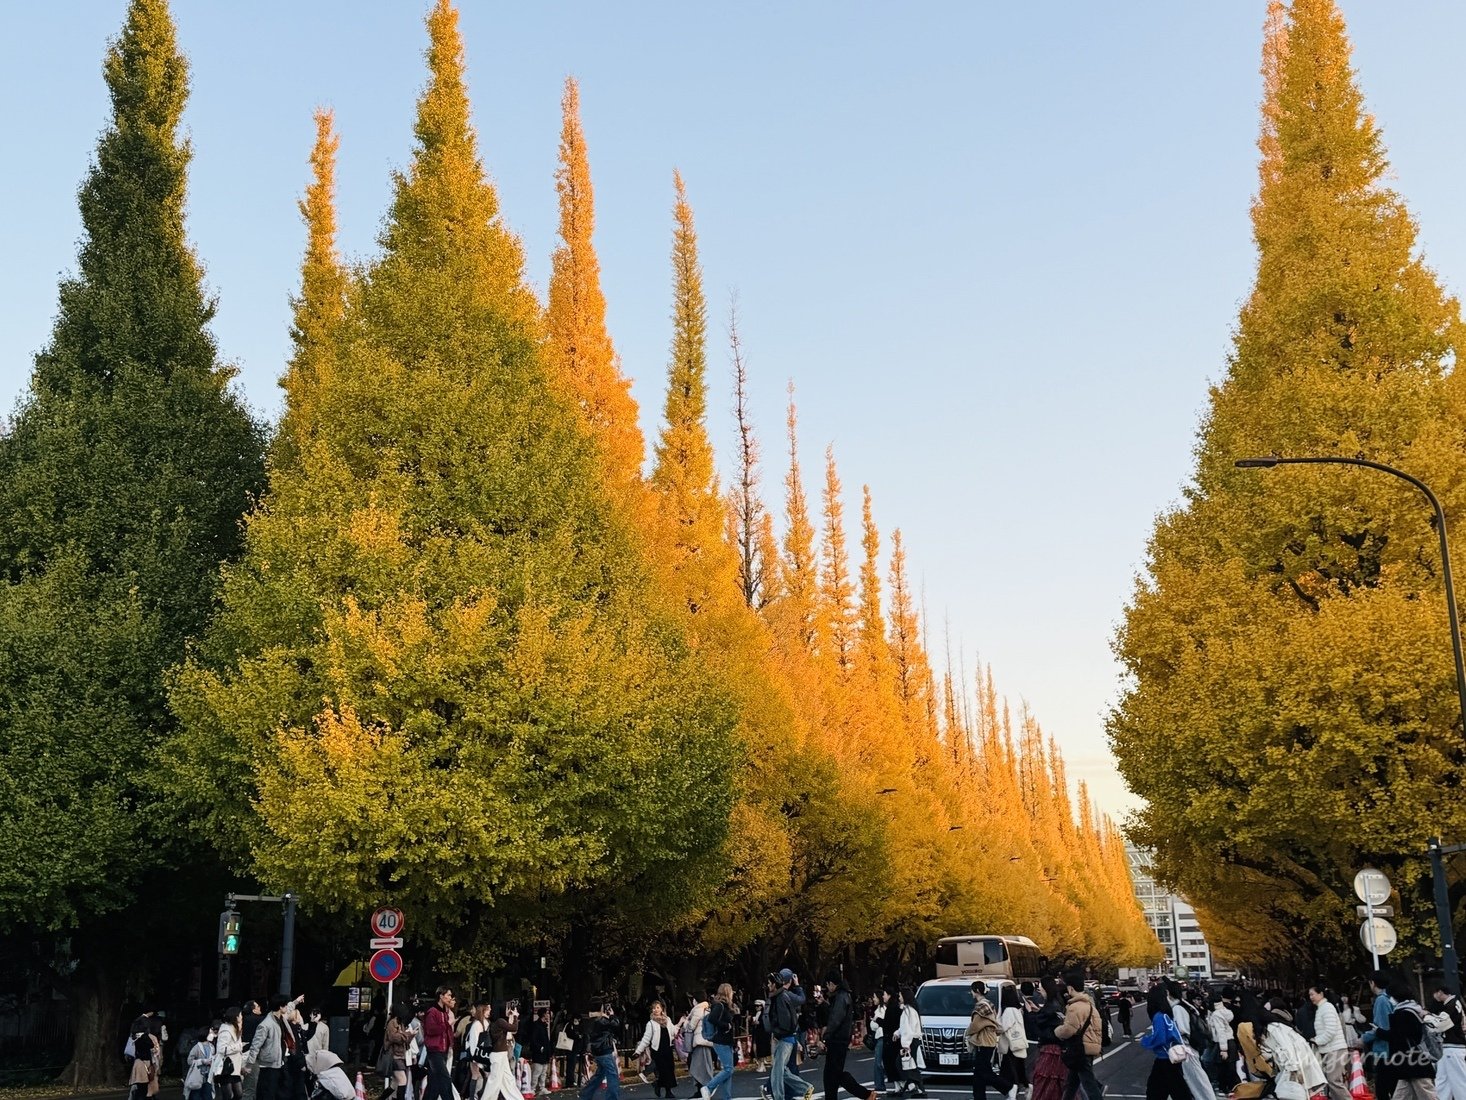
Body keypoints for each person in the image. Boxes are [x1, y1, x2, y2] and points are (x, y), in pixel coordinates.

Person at [819, 972, 878, 1100]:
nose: (827, 988)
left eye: (827, 985)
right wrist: (823, 1004)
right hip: (840, 1040)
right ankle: (865, 1094)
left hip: (837, 1041)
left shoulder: (841, 997)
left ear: (832, 983)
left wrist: (825, 1037)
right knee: (832, 1075)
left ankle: (866, 1094)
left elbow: (835, 1019)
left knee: (833, 1075)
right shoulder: (843, 995)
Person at [1385, 976, 1440, 1100]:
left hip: (1412, 1062)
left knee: (1426, 1094)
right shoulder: (1415, 1010)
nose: (1390, 999)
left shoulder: (1401, 1014)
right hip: (1415, 1060)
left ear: (1395, 996)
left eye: (1390, 996)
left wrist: (1379, 1032)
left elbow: (1398, 1037)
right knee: (1402, 1095)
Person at [1052, 972, 1102, 1100]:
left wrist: (1057, 1031)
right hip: (1088, 1047)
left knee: (1088, 1084)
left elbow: (1068, 1030)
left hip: (1080, 1049)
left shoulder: (1074, 1007)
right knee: (1073, 1082)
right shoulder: (1089, 1005)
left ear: (1070, 988)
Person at [762, 970, 812, 1100]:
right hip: (786, 1038)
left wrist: (776, 1032)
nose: (768, 985)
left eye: (769, 983)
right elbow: (801, 1000)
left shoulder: (781, 997)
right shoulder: (782, 995)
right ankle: (805, 1087)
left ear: (775, 984)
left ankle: (780, 1096)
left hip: (784, 1038)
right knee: (781, 1070)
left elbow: (784, 1022)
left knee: (778, 1072)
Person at [1256, 1012, 1327, 1100]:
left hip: (1296, 1061)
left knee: (1301, 1090)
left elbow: (1287, 1048)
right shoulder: (1273, 1028)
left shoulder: (1273, 1029)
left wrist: (1294, 1069)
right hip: (1296, 1059)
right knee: (1302, 1090)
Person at [1139, 986, 1189, 1100]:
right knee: (1172, 1088)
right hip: (1172, 1056)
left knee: (1157, 1089)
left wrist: (1145, 1040)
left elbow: (1160, 1038)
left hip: (1165, 1058)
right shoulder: (1166, 1014)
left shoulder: (1158, 1016)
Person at [966, 981, 1014, 1100]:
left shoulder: (981, 1007)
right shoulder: (989, 1004)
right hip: (989, 1040)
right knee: (979, 1073)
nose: (971, 993)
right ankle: (979, 1097)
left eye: (972, 990)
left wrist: (967, 1033)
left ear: (977, 991)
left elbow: (976, 1025)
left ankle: (1008, 1087)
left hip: (984, 1041)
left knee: (983, 1072)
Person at [1028, 980, 1067, 1100]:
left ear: (1047, 990)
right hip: (1057, 1046)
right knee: (1058, 1081)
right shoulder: (1056, 1004)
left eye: (1041, 988)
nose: (1039, 991)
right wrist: (1038, 1011)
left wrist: (1032, 1014)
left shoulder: (1051, 1006)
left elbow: (1042, 1022)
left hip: (1050, 1047)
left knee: (1044, 1079)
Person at [1309, 985, 1350, 1100]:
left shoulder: (1326, 1008)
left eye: (1312, 994)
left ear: (1321, 994)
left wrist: (1316, 1041)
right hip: (1330, 1049)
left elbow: (1330, 1031)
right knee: (1333, 1081)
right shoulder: (1322, 1008)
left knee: (1334, 1081)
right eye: (1309, 995)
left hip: (1335, 1049)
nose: (1311, 997)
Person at [1362, 973, 1399, 1100]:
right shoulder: (1391, 998)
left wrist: (1364, 1038)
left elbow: (1381, 1027)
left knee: (1382, 1089)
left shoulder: (1381, 1000)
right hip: (1394, 1048)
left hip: (1385, 1050)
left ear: (1373, 983)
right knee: (1393, 1086)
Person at [1428, 984, 1466, 1100]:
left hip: (1453, 1047)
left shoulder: (1451, 1005)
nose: (1434, 996)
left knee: (1458, 1080)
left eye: (1435, 993)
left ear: (1440, 992)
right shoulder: (1455, 1003)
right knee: (1443, 1080)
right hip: (1450, 1048)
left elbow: (1439, 1025)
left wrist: (1426, 1016)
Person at [636, 1001, 679, 1099]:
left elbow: (673, 1031)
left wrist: (680, 1023)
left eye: (657, 1008)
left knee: (669, 1069)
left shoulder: (667, 1020)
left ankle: (661, 1087)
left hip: (667, 1048)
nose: (655, 1010)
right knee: (662, 1070)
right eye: (654, 1008)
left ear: (662, 1009)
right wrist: (638, 1051)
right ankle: (664, 1088)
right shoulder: (651, 1023)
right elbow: (646, 1039)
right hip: (657, 1049)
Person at [702, 984, 738, 1100]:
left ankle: (727, 1097)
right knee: (728, 1069)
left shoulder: (723, 1006)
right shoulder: (719, 1006)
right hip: (721, 1040)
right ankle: (709, 1087)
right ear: (727, 992)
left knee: (728, 1070)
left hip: (725, 1040)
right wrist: (725, 1025)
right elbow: (712, 1018)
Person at [581, 1001, 623, 1100]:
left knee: (600, 1074)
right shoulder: (602, 1020)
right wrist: (612, 1015)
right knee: (613, 1075)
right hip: (604, 1049)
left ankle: (586, 1094)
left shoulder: (589, 1020)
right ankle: (612, 1098)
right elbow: (616, 1024)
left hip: (596, 1050)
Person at [421, 986, 457, 1100]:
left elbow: (447, 1032)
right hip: (434, 1050)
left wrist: (450, 1045)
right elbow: (431, 1030)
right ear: (441, 996)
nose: (450, 998)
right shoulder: (432, 1011)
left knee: (434, 1083)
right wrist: (447, 1024)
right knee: (444, 1079)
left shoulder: (444, 1012)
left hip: (443, 1050)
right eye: (448, 995)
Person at [483, 1001, 525, 1100]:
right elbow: (514, 1028)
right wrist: (515, 1016)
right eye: (507, 1008)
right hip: (498, 1055)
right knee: (494, 1080)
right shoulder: (500, 1021)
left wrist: (511, 1017)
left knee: (507, 1078)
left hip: (499, 1054)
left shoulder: (497, 1022)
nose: (509, 1010)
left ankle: (516, 1098)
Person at [895, 987, 928, 1099]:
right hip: (912, 1041)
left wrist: (905, 1045)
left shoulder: (909, 1011)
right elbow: (904, 1028)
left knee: (904, 1064)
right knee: (909, 1065)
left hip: (910, 1042)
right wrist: (897, 1033)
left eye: (900, 995)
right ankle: (916, 1087)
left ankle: (915, 1087)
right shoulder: (908, 1010)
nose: (899, 998)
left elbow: (908, 1030)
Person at [999, 984, 1030, 1096]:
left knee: (1010, 1070)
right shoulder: (1017, 1009)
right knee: (1019, 1068)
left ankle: (1013, 1092)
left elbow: (1003, 1027)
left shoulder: (1008, 1011)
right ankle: (1027, 1086)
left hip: (1010, 1044)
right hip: (1018, 1042)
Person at [384, 1003, 414, 1100]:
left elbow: (405, 1039)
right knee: (402, 1080)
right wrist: (407, 1034)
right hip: (394, 1056)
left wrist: (411, 1035)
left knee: (394, 1084)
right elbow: (394, 1037)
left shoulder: (400, 1023)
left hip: (400, 1055)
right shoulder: (392, 1022)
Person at [216, 1008, 246, 1100]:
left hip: (234, 1067)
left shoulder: (236, 1028)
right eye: (240, 1015)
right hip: (226, 1066)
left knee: (239, 1094)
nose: (241, 1017)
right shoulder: (226, 1030)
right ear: (235, 1017)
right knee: (229, 1095)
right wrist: (238, 1047)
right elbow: (221, 1049)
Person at [529, 1008, 555, 1097]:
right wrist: (540, 1048)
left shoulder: (544, 1025)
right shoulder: (536, 1025)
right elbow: (533, 1039)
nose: (549, 1015)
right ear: (543, 1015)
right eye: (547, 1013)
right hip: (539, 1053)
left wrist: (549, 1052)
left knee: (544, 1071)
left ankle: (542, 1088)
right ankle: (532, 1088)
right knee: (537, 1071)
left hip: (544, 1053)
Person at [241, 1003, 265, 1100]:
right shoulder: (256, 1019)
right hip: (250, 1055)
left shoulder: (243, 1020)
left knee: (249, 1086)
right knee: (251, 1086)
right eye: (258, 1006)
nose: (260, 1007)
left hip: (244, 1053)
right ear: (253, 1010)